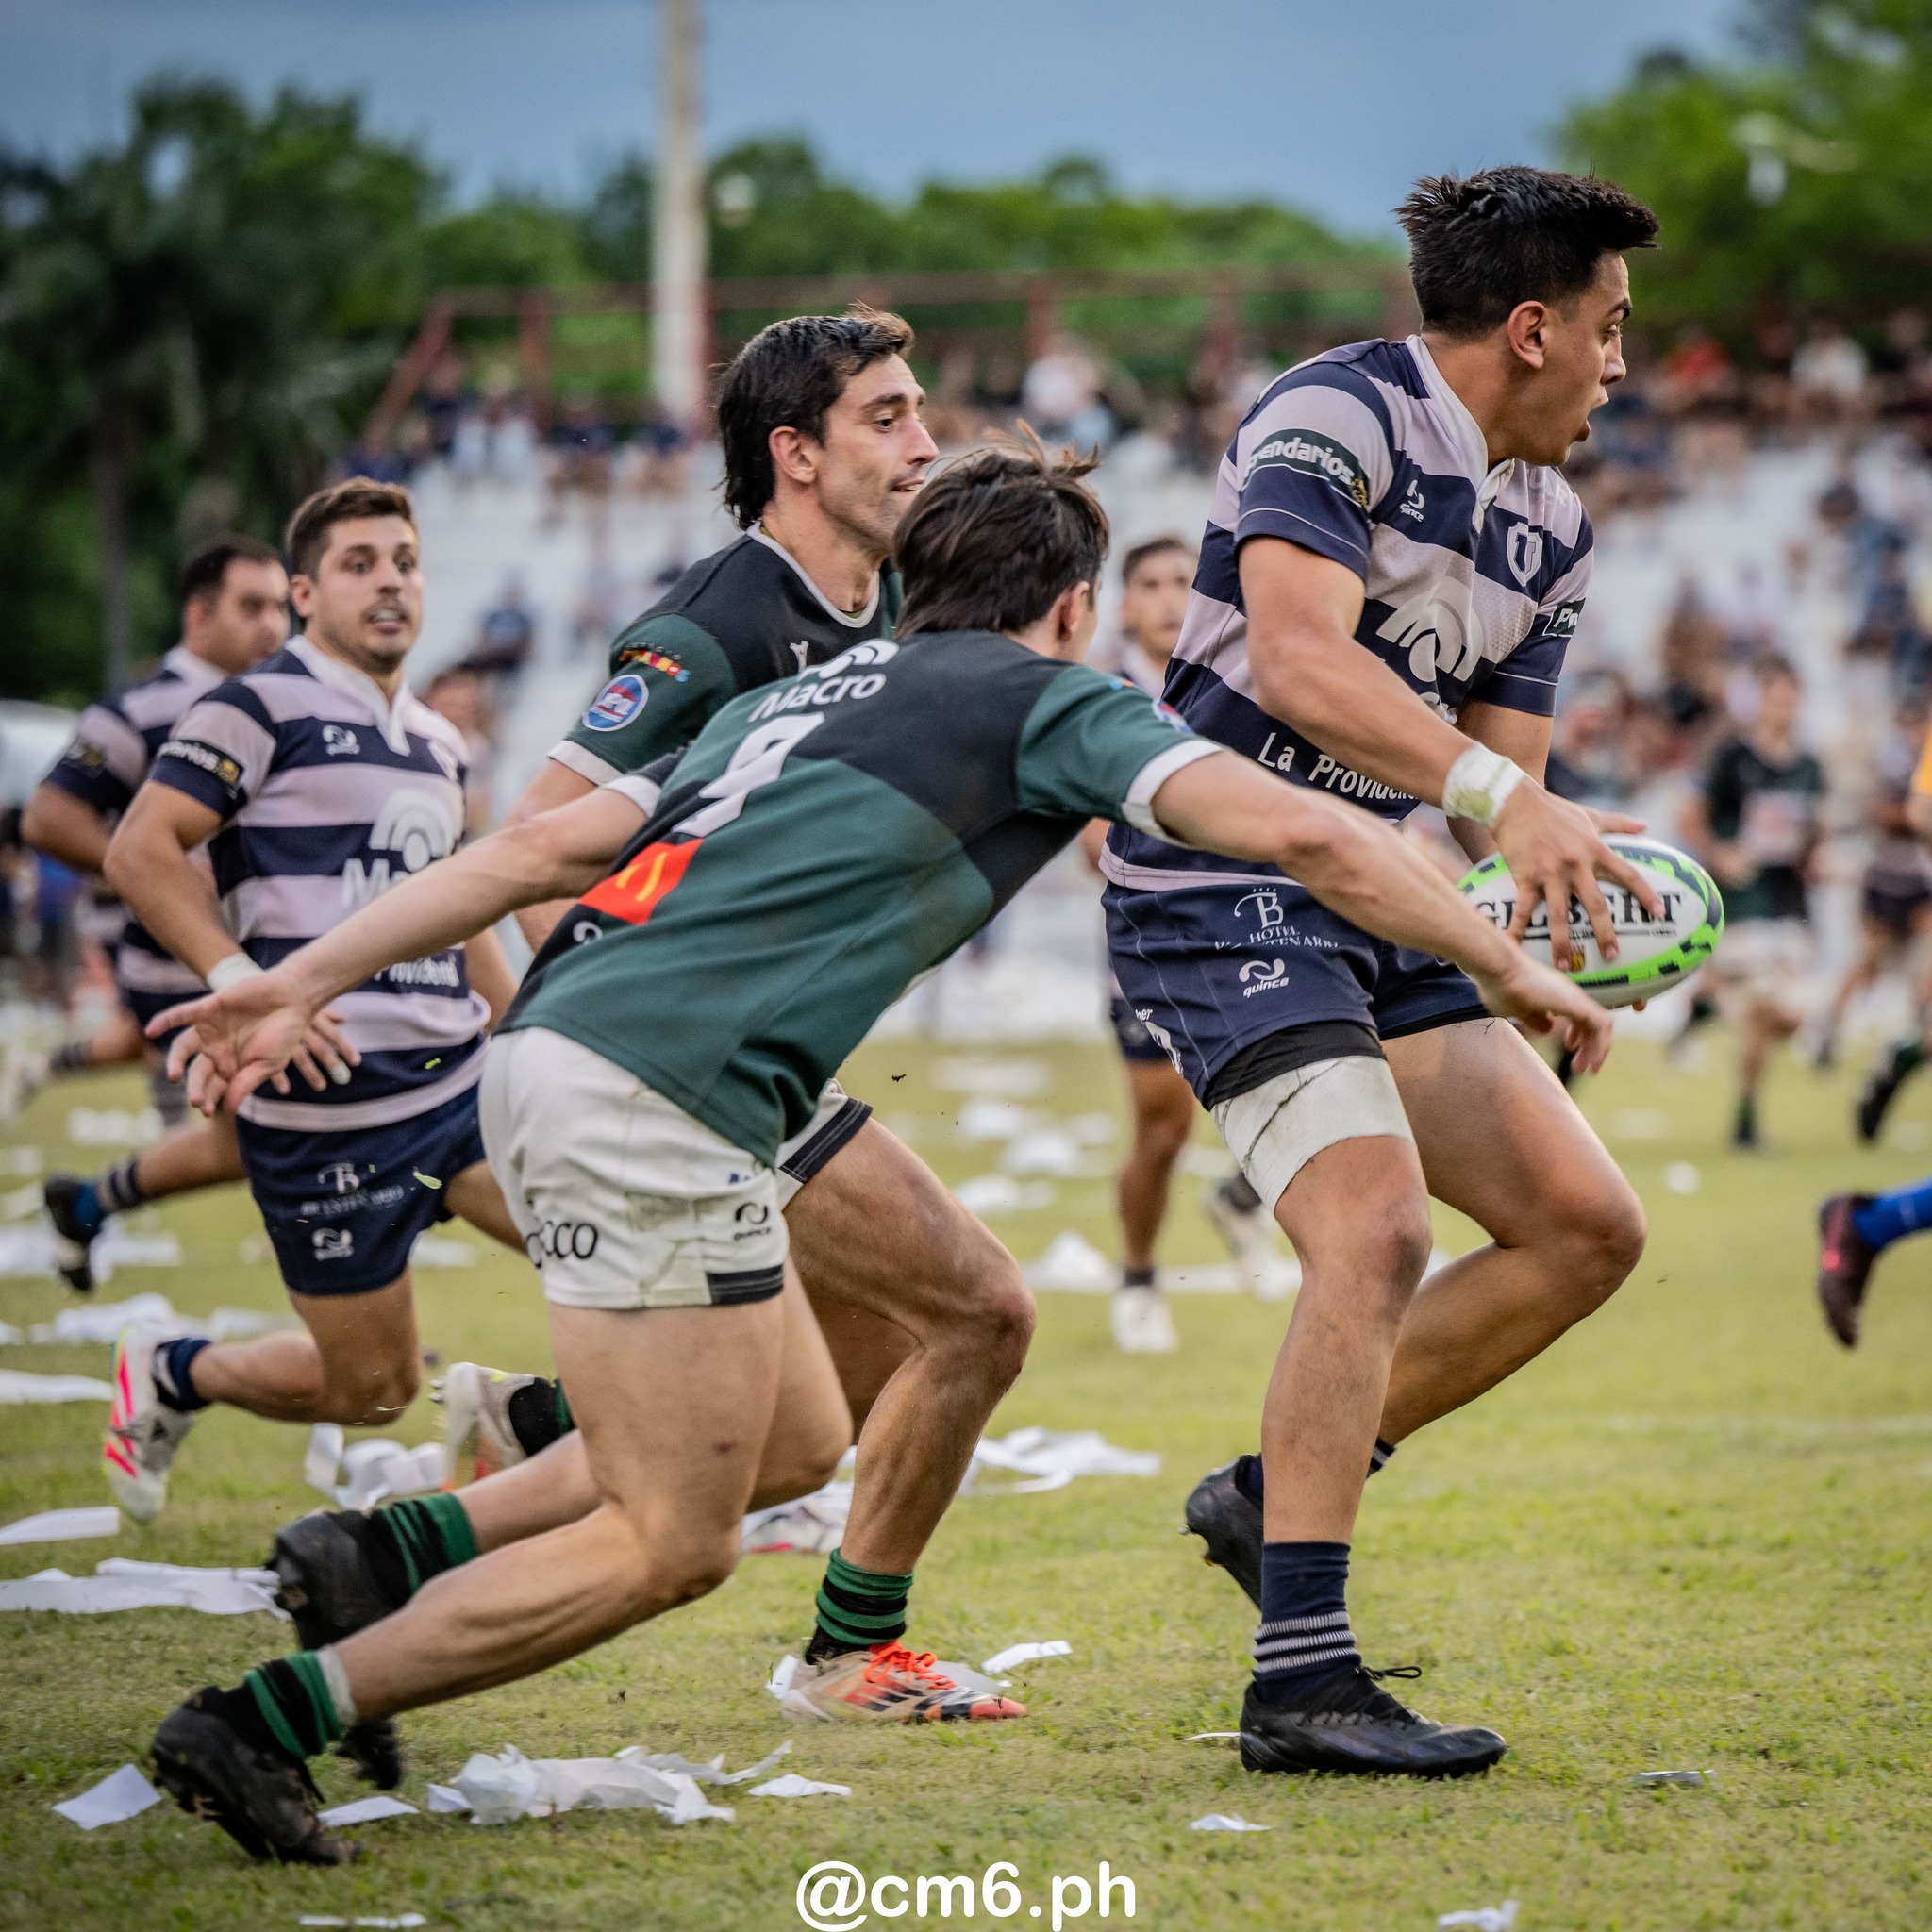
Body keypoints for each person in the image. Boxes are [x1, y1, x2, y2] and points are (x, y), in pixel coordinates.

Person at [143, 437, 1611, 1863]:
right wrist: (1514, 963)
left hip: (562, 1051)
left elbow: (535, 853)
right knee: (676, 1541)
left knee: (795, 1435)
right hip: (661, 1086)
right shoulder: (1047, 695)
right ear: (1074, 605)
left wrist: (299, 975)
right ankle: (269, 1718)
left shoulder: (800, 693)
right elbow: (1315, 839)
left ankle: (383, 1557)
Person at [258, 311, 1053, 1745]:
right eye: (886, 416)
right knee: (976, 1310)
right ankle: (835, 1644)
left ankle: (411, 1536)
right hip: (669, 1060)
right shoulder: (717, 625)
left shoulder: (879, 609)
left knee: (825, 1405)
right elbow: (543, 838)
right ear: (793, 455)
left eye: (922, 409)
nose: (925, 441)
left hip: (736, 1060)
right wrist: (531, 1033)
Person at [1101, 166, 1659, 1775]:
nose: (1622, 365)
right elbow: (1292, 661)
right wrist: (1502, 811)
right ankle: (1299, 1679)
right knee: (1378, 1226)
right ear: (1535, 327)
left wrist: (1544, 925)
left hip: (1377, 888)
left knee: (1584, 1227)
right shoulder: (1330, 413)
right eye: (1612, 330)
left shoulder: (1552, 528)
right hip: (1225, 872)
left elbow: (1490, 796)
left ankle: (1270, 1496)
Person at [99, 480, 525, 1540]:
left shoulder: (437, 737)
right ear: (303, 591)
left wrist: (524, 1026)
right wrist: (242, 980)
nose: (389, 581)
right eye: (359, 563)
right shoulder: (256, 705)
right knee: (371, 1388)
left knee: (603, 1242)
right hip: (321, 1103)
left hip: (456, 1084)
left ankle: (528, 1426)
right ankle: (175, 1370)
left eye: (405, 561)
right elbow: (139, 849)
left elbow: (457, 898)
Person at [17, 538, 291, 1289]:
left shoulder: (284, 699)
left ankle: (86, 1202)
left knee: (253, 1139)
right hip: (181, 957)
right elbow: (48, 819)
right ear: (199, 614)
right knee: (298, 1120)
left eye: (281, 606)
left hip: (267, 950)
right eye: (252, 606)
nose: (274, 625)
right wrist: (149, 868)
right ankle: (359, 1315)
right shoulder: (139, 709)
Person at [1080, 535, 1276, 1354]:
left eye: (1182, 584)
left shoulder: (1238, 684)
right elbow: (1094, 841)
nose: (1168, 599)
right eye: (1150, 584)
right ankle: (1137, 1277)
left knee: (1315, 1079)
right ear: (1124, 604)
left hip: (1248, 923)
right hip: (1151, 939)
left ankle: (1242, 1200)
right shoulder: (1100, 695)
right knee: (1162, 1131)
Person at [1681, 655, 1823, 1149]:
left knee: (1790, 1020)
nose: (1785, 706)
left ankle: (1709, 1007)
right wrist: (1722, 857)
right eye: (1776, 695)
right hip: (1743, 905)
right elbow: (1690, 818)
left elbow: (1812, 836)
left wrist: (1815, 856)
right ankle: (1744, 1123)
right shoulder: (1732, 756)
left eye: (1792, 696)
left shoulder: (1809, 766)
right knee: (1765, 1011)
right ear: (1761, 699)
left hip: (1791, 903)